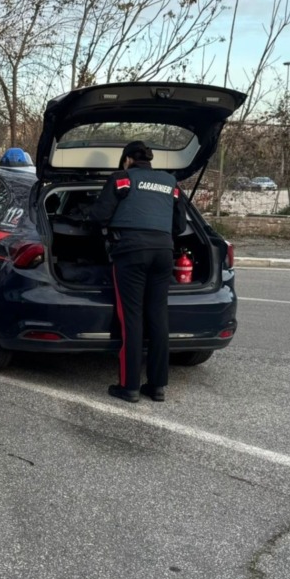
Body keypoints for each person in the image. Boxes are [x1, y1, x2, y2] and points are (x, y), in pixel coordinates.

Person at [87, 140, 185, 403]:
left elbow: (98, 216)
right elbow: (180, 223)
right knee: (158, 316)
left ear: (127, 160)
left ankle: (129, 386)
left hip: (131, 253)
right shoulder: (170, 183)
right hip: (164, 253)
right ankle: (157, 386)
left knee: (131, 318)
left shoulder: (122, 180)